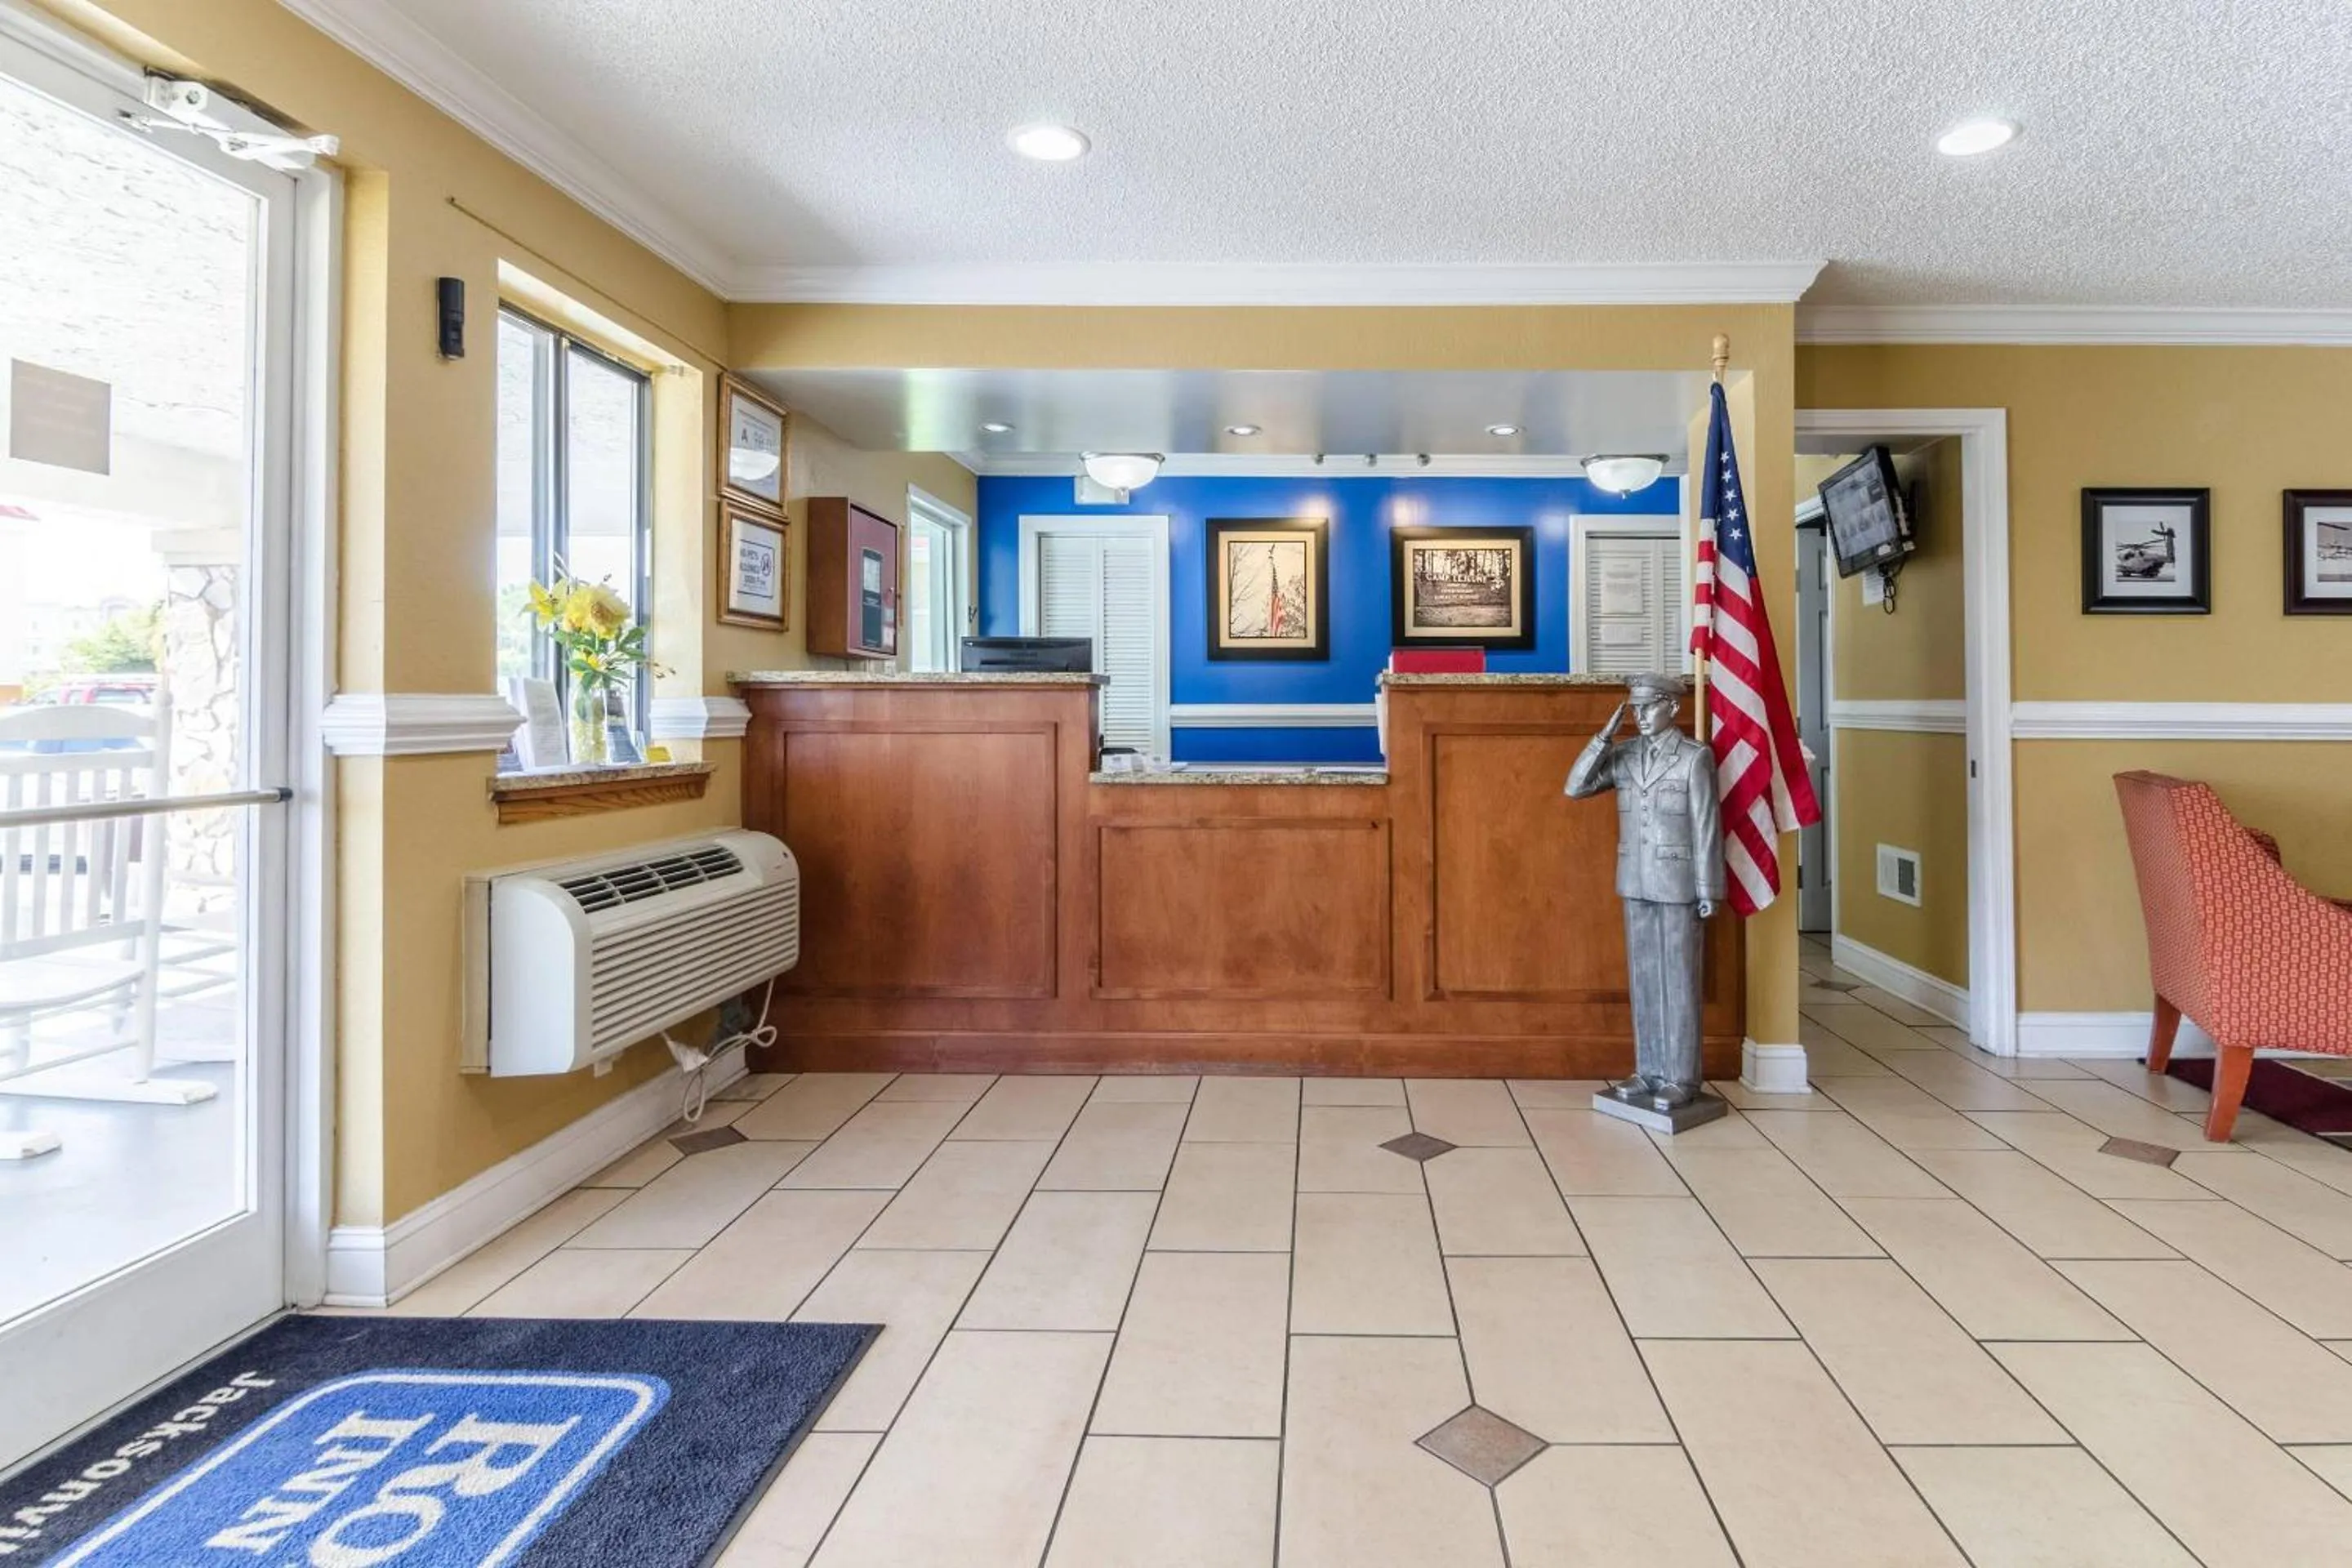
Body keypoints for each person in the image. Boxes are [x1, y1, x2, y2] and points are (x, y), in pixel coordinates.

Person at [1564, 672, 1727, 1121]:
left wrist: (1709, 888)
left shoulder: (1694, 757)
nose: (1640, 715)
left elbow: (1707, 827)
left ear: (1672, 707)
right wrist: (1604, 737)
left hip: (1678, 883)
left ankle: (1682, 1078)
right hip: (1635, 879)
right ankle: (1649, 1071)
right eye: (1634, 708)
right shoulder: (1626, 754)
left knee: (1679, 979)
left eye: (1649, 705)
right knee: (1644, 978)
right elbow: (1575, 787)